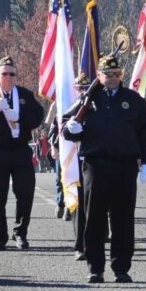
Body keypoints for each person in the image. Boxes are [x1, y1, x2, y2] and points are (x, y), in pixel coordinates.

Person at [62, 53, 146, 283]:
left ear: (121, 75)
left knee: (123, 219)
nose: (112, 78)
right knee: (94, 218)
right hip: (95, 166)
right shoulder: (89, 99)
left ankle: (121, 267)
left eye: (116, 74)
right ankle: (95, 267)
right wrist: (71, 128)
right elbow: (65, 126)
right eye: (107, 74)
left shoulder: (133, 101)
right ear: (100, 76)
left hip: (125, 166)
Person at [0, 56, 44, 251]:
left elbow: (38, 115)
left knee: (25, 193)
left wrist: (20, 116)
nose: (8, 77)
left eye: (12, 74)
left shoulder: (24, 94)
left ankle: (20, 233)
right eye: (4, 73)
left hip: (21, 150)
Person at [49, 73, 92, 260]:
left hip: (92, 159)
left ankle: (99, 237)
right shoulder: (66, 104)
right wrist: (61, 141)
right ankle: (80, 245)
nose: (82, 90)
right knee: (78, 203)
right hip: (72, 160)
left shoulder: (95, 102)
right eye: (80, 87)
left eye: (86, 87)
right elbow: (54, 131)